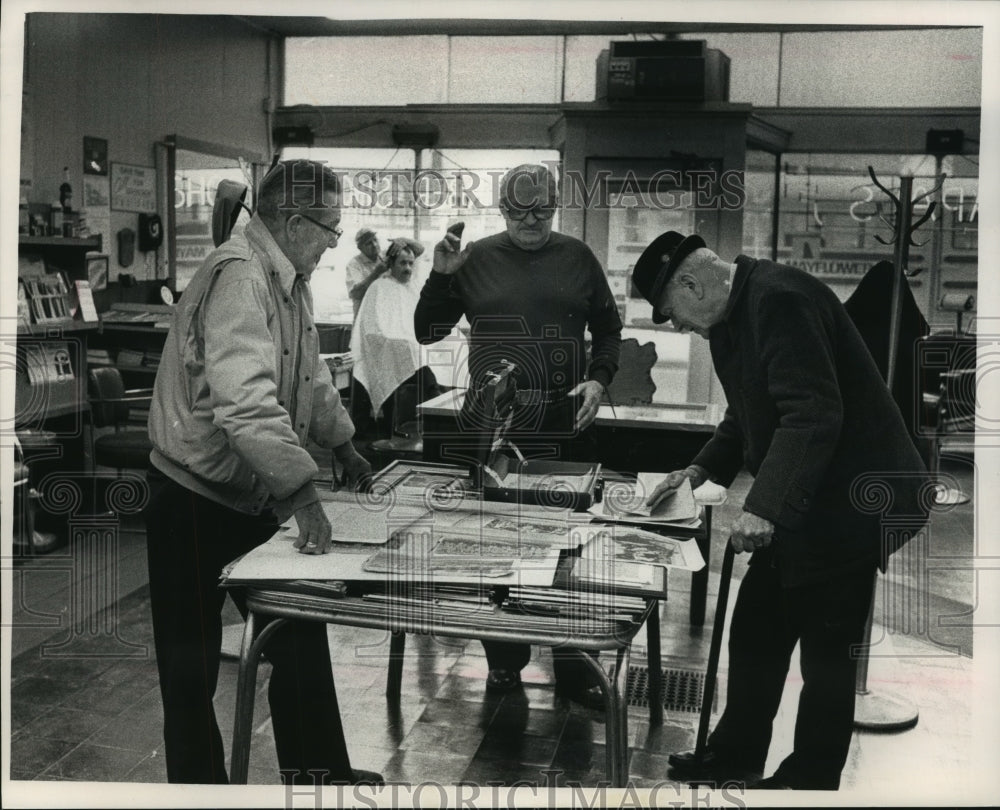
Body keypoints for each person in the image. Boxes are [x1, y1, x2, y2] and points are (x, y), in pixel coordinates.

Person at [633, 231, 933, 790]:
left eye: (672, 313)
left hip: (854, 502)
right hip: (810, 491)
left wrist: (764, 509)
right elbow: (748, 414)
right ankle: (735, 755)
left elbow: (812, 415)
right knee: (756, 632)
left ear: (693, 284)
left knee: (826, 657)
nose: (678, 327)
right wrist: (697, 471)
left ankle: (808, 783)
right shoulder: (733, 317)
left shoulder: (780, 299)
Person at [145, 160, 382, 786]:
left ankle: (319, 774)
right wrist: (302, 494)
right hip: (191, 498)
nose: (335, 242)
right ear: (293, 221)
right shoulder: (239, 277)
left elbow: (307, 379)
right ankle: (201, 795)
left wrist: (345, 444)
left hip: (244, 491)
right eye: (329, 227)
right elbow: (246, 402)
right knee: (189, 669)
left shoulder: (288, 278)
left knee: (297, 629)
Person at [414, 163, 623, 709]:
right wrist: (440, 276)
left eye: (542, 210)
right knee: (497, 546)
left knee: (572, 551)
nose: (531, 221)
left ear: (556, 207)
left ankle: (577, 671)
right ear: (501, 209)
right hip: (493, 425)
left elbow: (608, 328)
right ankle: (504, 662)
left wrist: (599, 381)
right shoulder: (474, 258)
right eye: (518, 210)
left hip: (564, 422)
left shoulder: (577, 257)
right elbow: (427, 331)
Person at [351, 237, 440, 432]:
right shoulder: (378, 287)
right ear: (390, 264)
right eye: (402, 262)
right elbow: (374, 329)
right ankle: (430, 411)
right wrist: (402, 341)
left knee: (432, 356)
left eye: (410, 263)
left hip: (407, 348)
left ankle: (434, 418)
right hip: (382, 350)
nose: (408, 268)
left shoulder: (412, 288)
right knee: (419, 361)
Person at [345, 227, 381, 319]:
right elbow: (356, 293)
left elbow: (419, 250)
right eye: (369, 243)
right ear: (360, 248)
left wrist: (401, 241)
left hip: (383, 316)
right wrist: (376, 273)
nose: (374, 245)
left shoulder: (384, 257)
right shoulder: (354, 264)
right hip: (365, 318)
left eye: (375, 240)